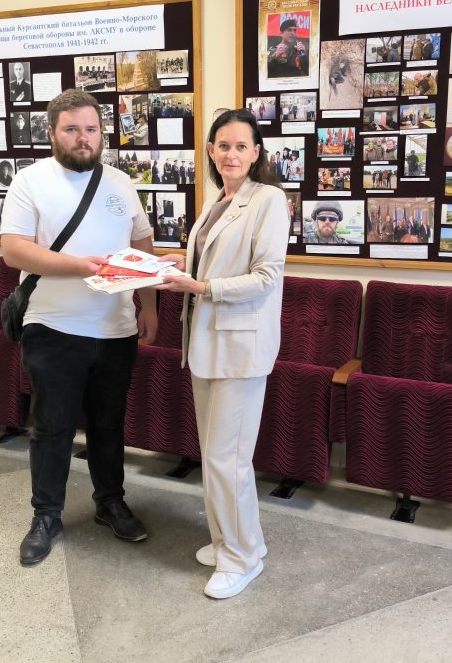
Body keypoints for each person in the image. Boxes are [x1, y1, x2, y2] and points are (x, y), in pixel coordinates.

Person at [0, 89, 158, 568]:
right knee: (53, 427)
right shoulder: (30, 181)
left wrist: (149, 306)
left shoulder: (120, 183)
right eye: (72, 129)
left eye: (91, 129)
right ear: (52, 133)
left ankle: (110, 501)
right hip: (53, 327)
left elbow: (142, 243)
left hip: (115, 327)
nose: (83, 138)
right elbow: (14, 250)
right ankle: (46, 515)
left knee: (109, 423)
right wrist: (82, 266)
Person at [155, 109, 288, 600]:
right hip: (205, 343)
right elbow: (213, 261)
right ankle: (237, 541)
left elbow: (266, 277)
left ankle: (241, 559)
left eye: (241, 146)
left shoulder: (268, 199)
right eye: (223, 145)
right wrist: (178, 265)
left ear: (256, 153)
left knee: (226, 460)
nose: (231, 154)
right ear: (211, 150)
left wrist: (201, 286)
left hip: (239, 347)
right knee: (218, 456)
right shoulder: (218, 200)